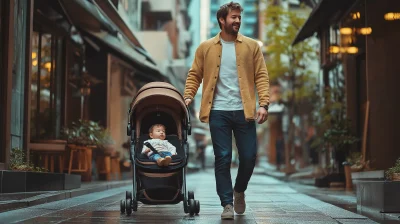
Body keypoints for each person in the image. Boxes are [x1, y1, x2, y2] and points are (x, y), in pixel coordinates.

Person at [183, 1, 270, 220]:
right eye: (234, 17)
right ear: (222, 20)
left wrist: (263, 103)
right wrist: (188, 95)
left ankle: (239, 190)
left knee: (249, 157)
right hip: (218, 111)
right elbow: (195, 74)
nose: (238, 21)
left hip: (244, 110)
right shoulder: (206, 47)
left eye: (239, 17)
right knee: (222, 157)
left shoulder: (251, 46)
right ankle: (227, 204)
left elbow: (261, 75)